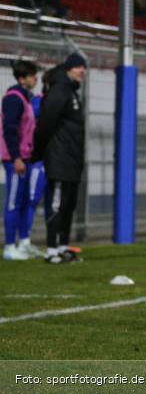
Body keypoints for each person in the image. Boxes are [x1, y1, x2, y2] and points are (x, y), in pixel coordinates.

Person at [32, 54, 87, 264]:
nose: (82, 70)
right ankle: (51, 251)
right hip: (59, 157)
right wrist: (38, 152)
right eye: (78, 67)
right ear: (68, 69)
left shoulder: (70, 91)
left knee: (68, 204)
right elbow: (46, 123)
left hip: (71, 158)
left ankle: (63, 247)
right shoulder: (60, 90)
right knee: (56, 204)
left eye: (84, 67)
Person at [1, 60, 43, 260]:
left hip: (25, 157)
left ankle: (24, 242)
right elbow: (9, 130)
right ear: (22, 78)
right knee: (13, 202)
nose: (36, 78)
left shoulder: (26, 98)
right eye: (33, 75)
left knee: (25, 200)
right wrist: (16, 157)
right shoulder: (13, 99)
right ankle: (9, 246)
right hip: (15, 159)